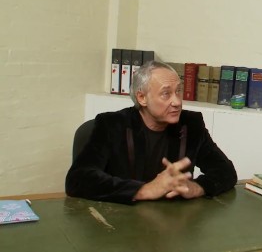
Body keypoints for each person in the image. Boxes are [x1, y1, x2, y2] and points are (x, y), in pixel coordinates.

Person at [66, 61, 237, 204]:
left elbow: (226, 171)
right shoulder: (112, 124)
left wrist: (197, 188)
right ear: (142, 98)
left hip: (173, 225)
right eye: (166, 94)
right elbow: (78, 179)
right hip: (121, 224)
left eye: (178, 91)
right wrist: (144, 190)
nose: (177, 101)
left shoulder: (191, 124)